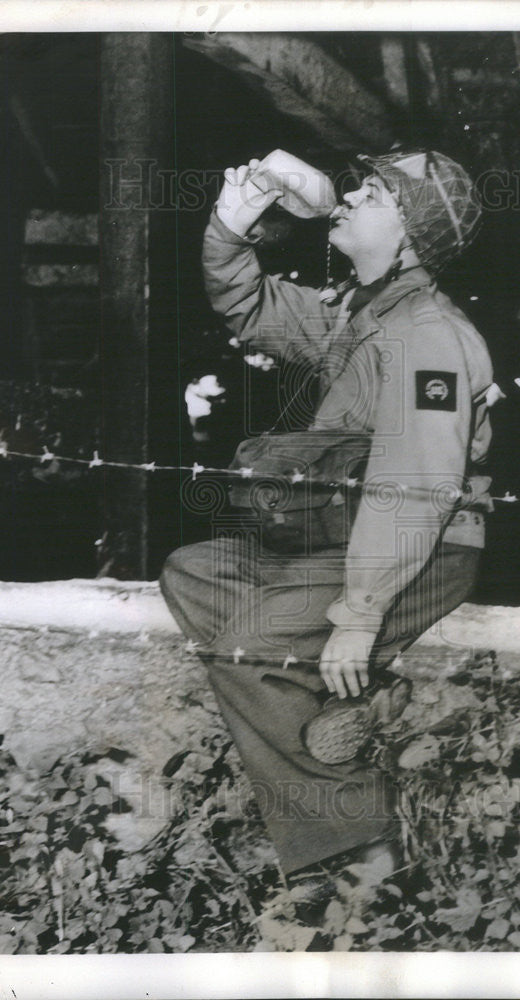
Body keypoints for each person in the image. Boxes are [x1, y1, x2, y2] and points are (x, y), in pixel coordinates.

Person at [160, 149, 494, 897]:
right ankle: (355, 706)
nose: (345, 199)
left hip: (424, 548)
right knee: (193, 572)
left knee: (247, 645)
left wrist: (360, 613)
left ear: (411, 235)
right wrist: (229, 226)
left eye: (371, 194)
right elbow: (250, 307)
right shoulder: (364, 312)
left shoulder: (429, 337)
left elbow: (415, 488)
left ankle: (358, 850)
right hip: (348, 536)